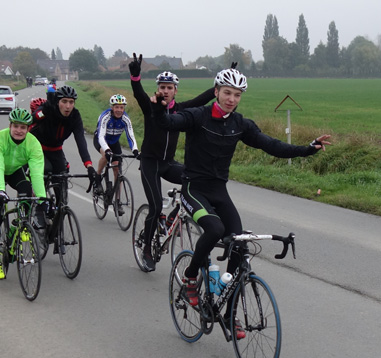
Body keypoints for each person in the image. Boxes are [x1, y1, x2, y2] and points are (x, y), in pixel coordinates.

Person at [151, 67, 331, 337]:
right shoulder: (198, 116)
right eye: (227, 93)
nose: (232, 99)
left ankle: (228, 313)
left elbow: (271, 145)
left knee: (240, 242)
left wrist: (307, 149)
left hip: (219, 191)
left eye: (237, 95)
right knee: (215, 229)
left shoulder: (240, 124)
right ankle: (190, 276)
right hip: (193, 189)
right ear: (216, 92)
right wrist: (158, 109)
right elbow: (168, 122)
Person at [128, 53, 215, 272]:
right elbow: (138, 94)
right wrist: (135, 77)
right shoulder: (150, 107)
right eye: (162, 87)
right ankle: (147, 249)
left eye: (169, 87)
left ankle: (172, 219)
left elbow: (202, 100)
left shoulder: (180, 109)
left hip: (168, 163)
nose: (165, 90)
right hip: (150, 163)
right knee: (156, 206)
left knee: (194, 179)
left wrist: (220, 85)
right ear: (158, 89)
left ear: (175, 90)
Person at [0, 108, 46, 280]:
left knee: (27, 192)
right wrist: (0, 190)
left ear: (28, 129)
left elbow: (36, 173)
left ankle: (19, 225)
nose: (19, 130)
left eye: (23, 127)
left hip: (15, 171)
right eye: (16, 126)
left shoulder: (33, 143)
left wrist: (42, 198)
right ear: (10, 126)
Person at [29, 85, 97, 191]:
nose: (68, 106)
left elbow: (81, 141)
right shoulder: (48, 109)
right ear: (57, 102)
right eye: (64, 101)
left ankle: (59, 202)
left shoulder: (75, 116)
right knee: (46, 169)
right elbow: (33, 118)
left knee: (62, 179)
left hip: (56, 150)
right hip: (38, 148)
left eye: (71, 102)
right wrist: (45, 110)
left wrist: (89, 165)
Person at [93, 94, 139, 215]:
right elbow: (101, 136)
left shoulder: (125, 119)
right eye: (116, 107)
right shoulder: (105, 117)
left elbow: (130, 136)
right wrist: (107, 150)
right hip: (101, 140)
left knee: (118, 172)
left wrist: (135, 150)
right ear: (112, 107)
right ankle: (97, 177)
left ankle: (117, 202)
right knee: (105, 155)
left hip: (114, 142)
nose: (119, 110)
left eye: (121, 107)